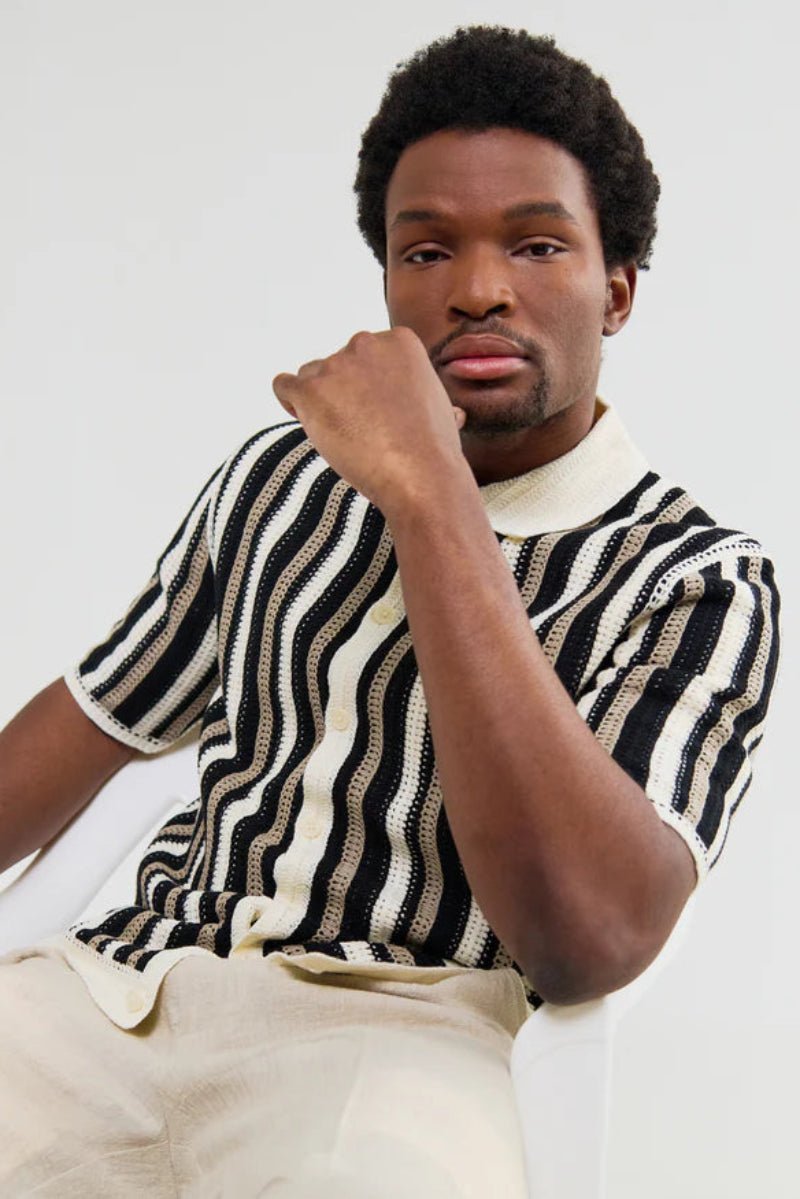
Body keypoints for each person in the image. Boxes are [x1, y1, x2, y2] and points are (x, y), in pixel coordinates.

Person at [0, 24, 780, 1198]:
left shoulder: (698, 577)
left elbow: (588, 936)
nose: (474, 289)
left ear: (614, 288)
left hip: (398, 1043)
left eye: (535, 243)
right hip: (118, 997)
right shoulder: (280, 481)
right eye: (425, 252)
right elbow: (82, 731)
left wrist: (430, 498)